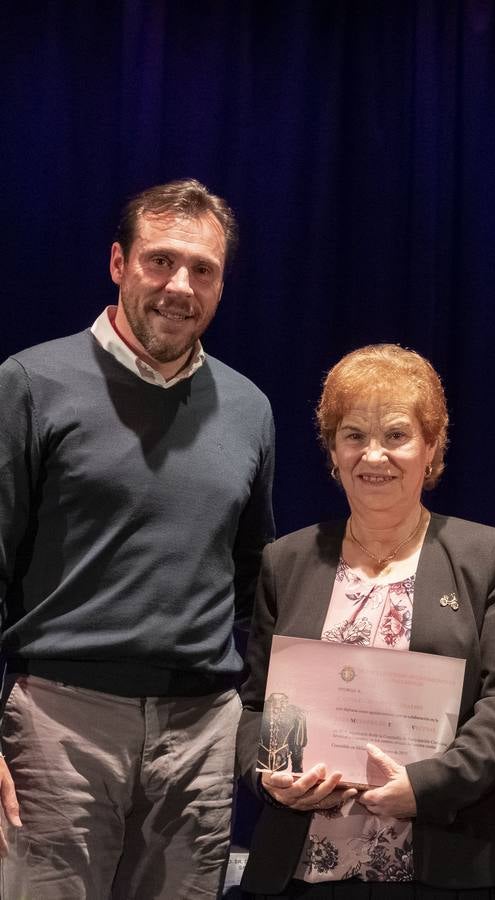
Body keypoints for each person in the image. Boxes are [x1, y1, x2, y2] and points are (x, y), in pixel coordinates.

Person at [0, 178, 275, 897]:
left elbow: (251, 578)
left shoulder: (249, 408)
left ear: (221, 284)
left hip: (201, 736)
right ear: (119, 263)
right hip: (60, 728)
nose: (179, 285)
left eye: (203, 269)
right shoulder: (31, 382)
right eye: (160, 261)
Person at [235, 344, 495, 898]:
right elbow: (256, 706)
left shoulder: (487, 555)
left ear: (431, 447)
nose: (374, 455)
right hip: (305, 869)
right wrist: (269, 773)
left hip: (444, 859)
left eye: (396, 435)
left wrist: (425, 786)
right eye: (354, 435)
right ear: (332, 452)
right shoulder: (287, 560)